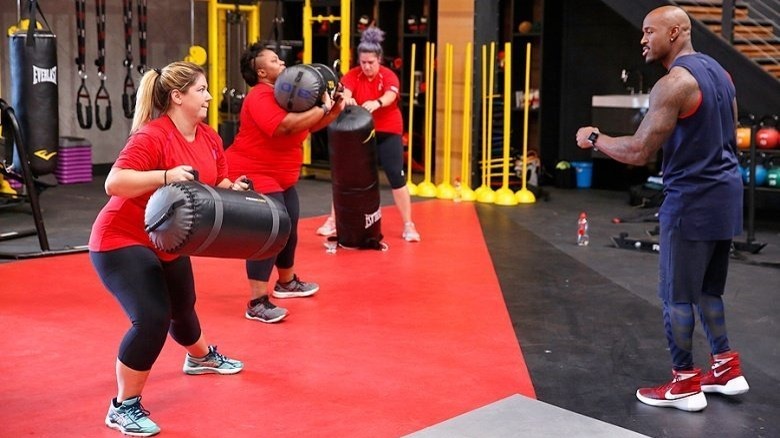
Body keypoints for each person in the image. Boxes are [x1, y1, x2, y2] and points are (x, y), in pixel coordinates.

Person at [576, 6, 748, 412]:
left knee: (676, 295)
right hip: (726, 193)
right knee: (708, 289)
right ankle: (725, 367)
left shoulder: (673, 84)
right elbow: (733, 132)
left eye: (649, 31)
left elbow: (638, 151)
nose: (643, 39)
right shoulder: (721, 74)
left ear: (675, 33)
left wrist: (595, 137)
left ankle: (684, 381)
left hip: (691, 199)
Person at [89, 61, 246, 436]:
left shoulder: (208, 137)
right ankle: (122, 406)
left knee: (183, 305)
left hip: (169, 238)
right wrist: (164, 175)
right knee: (153, 317)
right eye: (201, 89)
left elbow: (215, 179)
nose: (209, 96)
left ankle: (201, 357)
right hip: (121, 238)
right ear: (177, 97)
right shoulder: (152, 136)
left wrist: (232, 189)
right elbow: (114, 182)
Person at [226, 44, 345, 323]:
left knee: (289, 227)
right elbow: (286, 126)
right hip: (254, 171)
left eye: (281, 59)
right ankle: (256, 302)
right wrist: (324, 108)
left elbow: (309, 124)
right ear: (261, 71)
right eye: (275, 60)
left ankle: (287, 282)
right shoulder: (260, 95)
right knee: (269, 230)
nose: (282, 63)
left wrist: (333, 108)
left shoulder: (286, 95)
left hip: (283, 176)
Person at [316, 26, 421, 243]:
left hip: (388, 130)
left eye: (371, 62)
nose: (366, 66)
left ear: (379, 60)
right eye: (363, 62)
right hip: (361, 132)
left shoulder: (388, 76)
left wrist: (377, 102)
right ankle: (333, 220)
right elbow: (345, 93)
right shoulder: (354, 75)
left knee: (395, 175)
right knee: (345, 177)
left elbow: (391, 96)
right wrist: (348, 100)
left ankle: (409, 224)